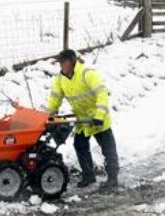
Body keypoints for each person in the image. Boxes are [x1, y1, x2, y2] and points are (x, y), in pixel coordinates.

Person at [46, 49, 120, 190]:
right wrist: (50, 115)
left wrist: (99, 115)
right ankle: (88, 175)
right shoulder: (60, 79)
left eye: (63, 62)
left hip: (98, 119)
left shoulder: (87, 73)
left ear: (71, 61)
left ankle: (112, 177)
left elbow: (102, 94)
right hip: (82, 120)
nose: (60, 65)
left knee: (108, 148)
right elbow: (55, 98)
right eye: (59, 63)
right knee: (79, 145)